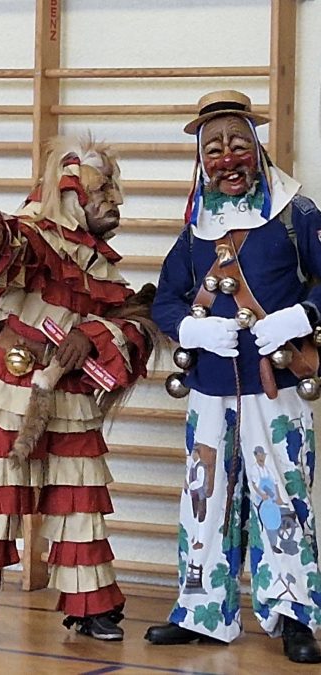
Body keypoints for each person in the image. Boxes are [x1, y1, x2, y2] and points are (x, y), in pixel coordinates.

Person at [0, 135, 155, 648]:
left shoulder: (105, 269)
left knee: (80, 499)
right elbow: (6, 250)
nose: (115, 201)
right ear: (72, 196)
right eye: (103, 192)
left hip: (71, 397)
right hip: (6, 389)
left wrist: (93, 336)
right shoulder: (35, 238)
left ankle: (91, 607)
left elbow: (132, 323)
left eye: (114, 191)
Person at [148, 89, 321, 664]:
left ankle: (293, 614)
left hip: (278, 389)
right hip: (209, 391)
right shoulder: (195, 227)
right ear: (202, 159)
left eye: (238, 145)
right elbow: (166, 298)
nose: (227, 159)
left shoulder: (297, 214)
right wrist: (191, 331)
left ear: (257, 148)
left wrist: (304, 316)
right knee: (206, 498)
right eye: (215, 149)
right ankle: (203, 612)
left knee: (283, 495)